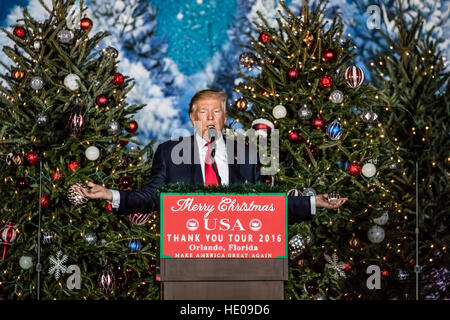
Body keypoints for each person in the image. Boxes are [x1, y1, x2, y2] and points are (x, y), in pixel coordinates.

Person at [72, 89, 347, 223]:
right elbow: (150, 197)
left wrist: (314, 202)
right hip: (188, 254)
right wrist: (110, 195)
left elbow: (265, 205)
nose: (210, 117)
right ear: (193, 118)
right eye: (203, 112)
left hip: (240, 254)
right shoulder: (170, 153)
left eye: (216, 111)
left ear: (225, 118)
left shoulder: (247, 154)